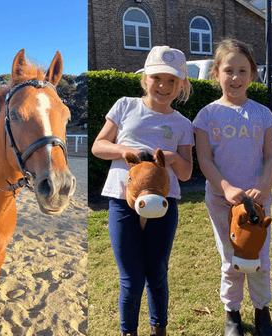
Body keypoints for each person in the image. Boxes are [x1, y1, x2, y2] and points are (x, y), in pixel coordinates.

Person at [91, 45, 194, 336]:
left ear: (181, 85)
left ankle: (159, 329)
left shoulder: (183, 124)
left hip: (163, 203)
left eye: (172, 80)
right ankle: (129, 331)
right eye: (157, 78)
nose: (163, 86)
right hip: (123, 201)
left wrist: (172, 159)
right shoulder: (125, 106)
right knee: (131, 278)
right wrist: (124, 150)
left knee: (157, 274)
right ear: (144, 79)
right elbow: (98, 146)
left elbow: (186, 174)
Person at [193, 39, 272, 336]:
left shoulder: (263, 114)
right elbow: (203, 158)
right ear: (216, 73)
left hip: (257, 202)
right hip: (221, 201)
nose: (235, 77)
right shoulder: (206, 116)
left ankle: (262, 311)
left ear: (253, 74)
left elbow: (271, 156)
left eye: (243, 70)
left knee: (258, 258)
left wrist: (263, 187)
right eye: (228, 70)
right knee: (231, 259)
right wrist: (226, 187)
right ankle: (232, 313)